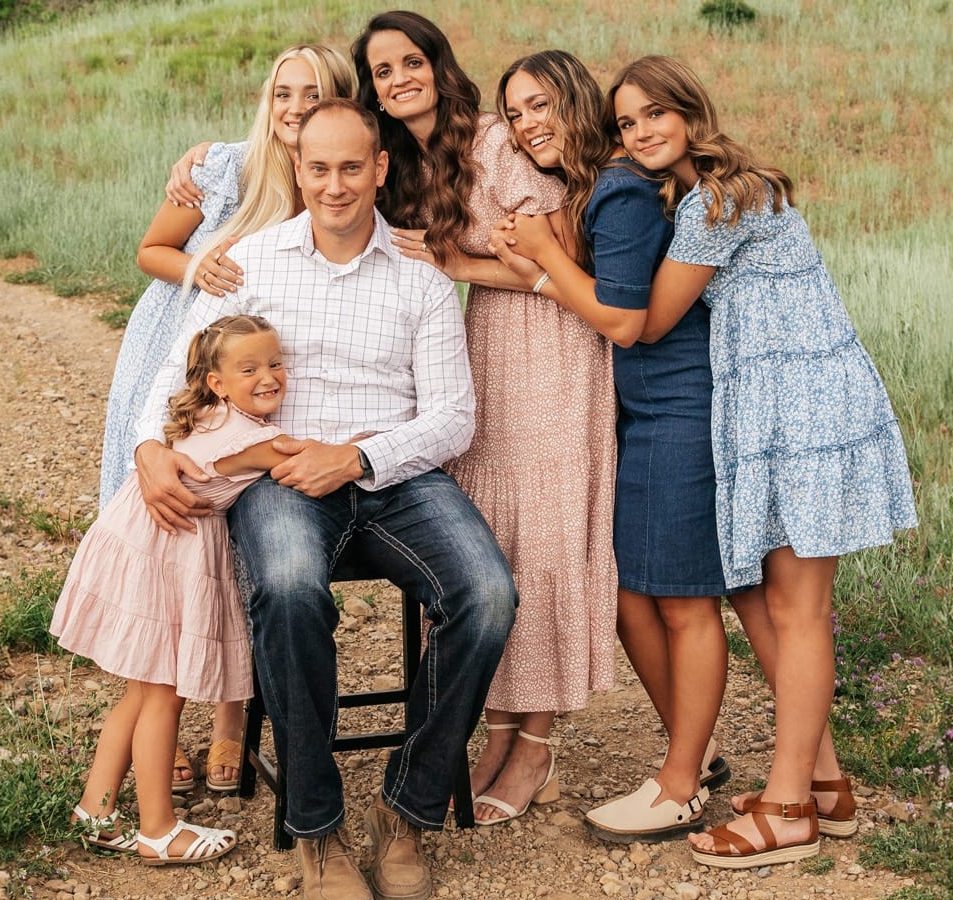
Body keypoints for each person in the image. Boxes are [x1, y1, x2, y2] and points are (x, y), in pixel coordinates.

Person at [132, 99, 516, 900]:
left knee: (486, 594)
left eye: (351, 168)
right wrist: (146, 449)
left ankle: (408, 809)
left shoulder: (420, 272)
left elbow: (454, 417)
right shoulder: (256, 260)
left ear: (379, 169)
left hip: (395, 475)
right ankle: (316, 829)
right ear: (297, 171)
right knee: (288, 588)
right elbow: (178, 368)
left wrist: (359, 456)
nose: (334, 186)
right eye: (318, 169)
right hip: (281, 481)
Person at [608, 55, 918, 868]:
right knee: (754, 594)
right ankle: (824, 787)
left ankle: (788, 811)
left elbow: (645, 322)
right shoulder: (709, 195)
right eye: (625, 123)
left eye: (652, 115)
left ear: (688, 111)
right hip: (769, 404)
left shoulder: (721, 199)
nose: (639, 132)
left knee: (796, 608)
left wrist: (537, 260)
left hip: (802, 406)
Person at [353, 12, 616, 827]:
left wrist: (458, 263)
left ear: (437, 63)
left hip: (551, 343)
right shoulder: (405, 161)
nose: (400, 79)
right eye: (382, 70)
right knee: (496, 535)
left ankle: (534, 746)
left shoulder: (497, 140)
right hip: (487, 346)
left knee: (540, 535)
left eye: (411, 61)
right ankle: (500, 730)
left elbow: (553, 251)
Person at [490, 50, 740, 842]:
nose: (527, 124)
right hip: (638, 410)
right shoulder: (594, 189)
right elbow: (579, 288)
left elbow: (624, 320)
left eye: (539, 106)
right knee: (632, 596)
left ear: (573, 101)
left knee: (680, 601)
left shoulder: (621, 193)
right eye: (514, 112)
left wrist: (545, 257)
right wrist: (524, 262)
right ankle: (690, 757)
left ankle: (679, 783)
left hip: (676, 407)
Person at [100, 43, 355, 794]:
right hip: (183, 352)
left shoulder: (336, 173)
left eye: (314, 93)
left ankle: (233, 721)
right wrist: (199, 264)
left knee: (234, 547)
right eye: (283, 93)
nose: (296, 107)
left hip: (266, 380)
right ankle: (156, 716)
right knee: (169, 534)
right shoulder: (224, 166)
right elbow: (152, 249)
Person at [53, 314, 293, 864]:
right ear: (217, 382)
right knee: (164, 694)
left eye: (276, 363)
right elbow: (303, 457)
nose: (269, 377)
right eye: (250, 368)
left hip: (144, 545)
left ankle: (95, 808)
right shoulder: (254, 439)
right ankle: (158, 828)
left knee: (142, 692)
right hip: (164, 556)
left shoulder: (210, 413)